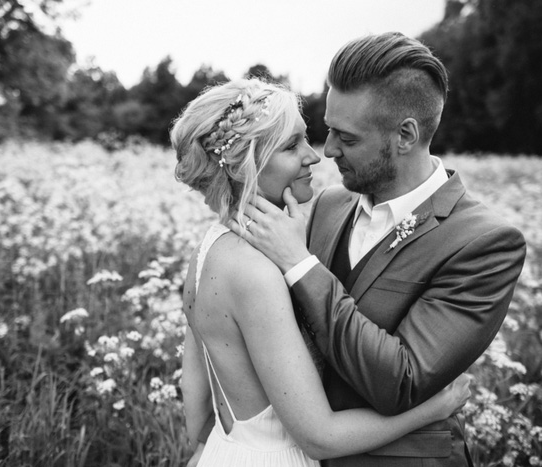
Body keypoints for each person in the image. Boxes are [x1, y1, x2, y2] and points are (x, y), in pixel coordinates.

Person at [229, 33, 527, 466]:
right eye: (328, 130)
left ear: (405, 135)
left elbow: (401, 381)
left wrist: (299, 263)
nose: (327, 151)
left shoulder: (484, 243)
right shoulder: (329, 205)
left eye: (346, 138)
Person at [170, 78, 472, 467]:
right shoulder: (255, 272)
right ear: (247, 164)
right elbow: (320, 438)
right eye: (292, 145)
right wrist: (432, 409)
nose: (314, 157)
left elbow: (194, 400)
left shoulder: (207, 252)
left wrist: (212, 452)